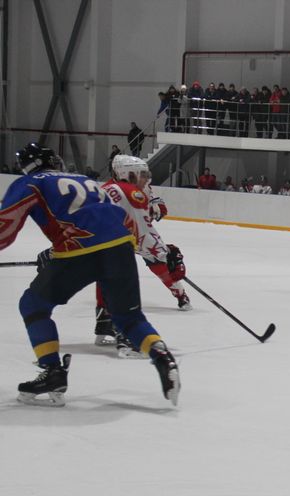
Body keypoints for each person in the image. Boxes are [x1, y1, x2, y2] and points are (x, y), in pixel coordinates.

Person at [0, 143, 179, 406]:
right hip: (121, 248)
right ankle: (162, 356)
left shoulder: (31, 182)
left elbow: (6, 226)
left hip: (79, 250)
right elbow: (120, 222)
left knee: (33, 305)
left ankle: (52, 371)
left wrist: (56, 253)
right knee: (128, 318)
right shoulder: (87, 180)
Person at [103, 155, 192, 313]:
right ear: (127, 174)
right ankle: (108, 308)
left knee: (160, 268)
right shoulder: (110, 191)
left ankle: (180, 295)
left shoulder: (140, 186)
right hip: (118, 239)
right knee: (116, 271)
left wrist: (156, 206)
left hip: (139, 236)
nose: (145, 178)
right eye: (141, 174)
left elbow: (155, 202)